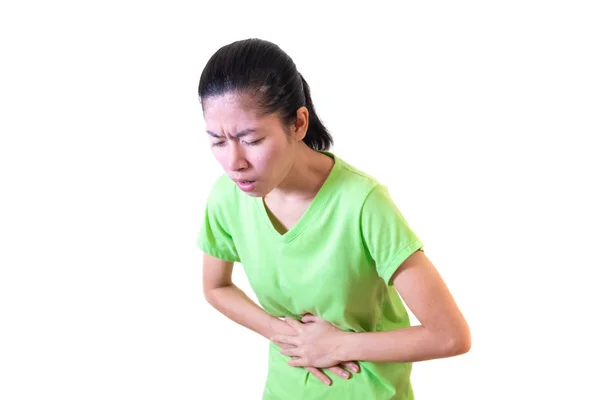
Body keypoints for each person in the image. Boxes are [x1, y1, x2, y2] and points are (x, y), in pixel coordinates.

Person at [197, 38, 471, 399]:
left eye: (251, 139)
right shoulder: (226, 197)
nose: (234, 162)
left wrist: (338, 346)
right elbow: (216, 287)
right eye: (218, 141)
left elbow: (450, 334)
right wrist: (283, 334)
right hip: (284, 388)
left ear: (298, 123)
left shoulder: (362, 203)